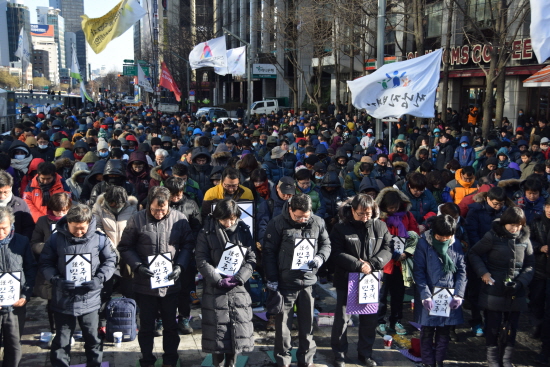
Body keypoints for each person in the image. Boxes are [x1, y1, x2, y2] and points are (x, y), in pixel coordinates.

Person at [118, 186, 195, 367]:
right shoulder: (137, 220)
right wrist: (138, 266)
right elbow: (125, 247)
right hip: (145, 284)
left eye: (163, 209)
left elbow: (188, 245)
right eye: (154, 210)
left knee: (170, 325)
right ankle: (147, 359)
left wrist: (180, 266)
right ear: (147, 206)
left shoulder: (180, 219)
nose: (159, 213)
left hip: (171, 283)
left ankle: (170, 359)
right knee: (146, 327)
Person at [39, 204, 117, 367]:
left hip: (90, 299)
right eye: (75, 228)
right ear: (67, 222)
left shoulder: (99, 238)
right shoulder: (55, 238)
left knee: (93, 339)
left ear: (89, 223)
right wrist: (55, 279)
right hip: (63, 300)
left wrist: (99, 279)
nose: (79, 232)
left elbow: (110, 260)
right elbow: (46, 263)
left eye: (82, 228)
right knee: (61, 340)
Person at [263, 194, 331, 367]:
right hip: (285, 283)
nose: (302, 220)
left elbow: (326, 244)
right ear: (290, 210)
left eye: (305, 216)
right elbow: (268, 253)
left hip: (308, 282)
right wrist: (272, 280)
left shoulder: (318, 222)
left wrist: (320, 258)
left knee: (307, 326)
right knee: (283, 328)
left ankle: (306, 360)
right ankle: (283, 361)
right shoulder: (277, 223)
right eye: (298, 216)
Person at [330, 195, 392, 367]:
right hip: (347, 278)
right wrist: (357, 265)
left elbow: (388, 248)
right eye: (360, 214)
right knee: (342, 318)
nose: (364, 217)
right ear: (352, 210)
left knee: (369, 319)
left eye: (368, 213)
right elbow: (335, 253)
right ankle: (339, 354)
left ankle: (365, 353)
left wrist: (373, 264)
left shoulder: (380, 226)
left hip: (371, 279)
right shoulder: (341, 228)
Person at [468, 207, 535, 367]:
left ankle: (506, 359)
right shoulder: (492, 236)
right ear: (505, 222)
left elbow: (530, 264)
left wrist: (520, 282)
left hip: (516, 289)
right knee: (492, 326)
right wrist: (483, 272)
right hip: (494, 288)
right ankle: (492, 359)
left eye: (519, 225)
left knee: (512, 325)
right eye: (512, 224)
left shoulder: (525, 238)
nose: (515, 228)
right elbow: (474, 253)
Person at [195, 199, 256, 367]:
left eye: (233, 218)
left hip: (238, 288)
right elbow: (201, 260)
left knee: (236, 331)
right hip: (215, 289)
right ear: (217, 217)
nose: (229, 223)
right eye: (225, 219)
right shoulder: (206, 232)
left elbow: (251, 258)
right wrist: (217, 279)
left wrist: (240, 277)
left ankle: (232, 364)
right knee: (218, 335)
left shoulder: (243, 230)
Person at [413, 215, 467, 367]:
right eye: (440, 236)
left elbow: (462, 270)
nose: (443, 239)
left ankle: (439, 361)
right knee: (427, 331)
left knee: (444, 332)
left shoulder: (455, 244)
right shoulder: (424, 243)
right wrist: (425, 295)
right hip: (430, 293)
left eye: (447, 236)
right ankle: (428, 363)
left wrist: (459, 294)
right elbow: (419, 271)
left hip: (448, 295)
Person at [0, 206, 37, 367]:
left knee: (14, 344)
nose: (0, 233)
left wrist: (25, 295)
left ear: (11, 225)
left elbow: (30, 268)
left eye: (4, 228)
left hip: (15, 305)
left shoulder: (21, 241)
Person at [31, 192, 72, 335]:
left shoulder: (72, 220)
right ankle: (54, 329)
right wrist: (48, 246)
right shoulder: (43, 221)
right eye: (57, 211)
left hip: (69, 264)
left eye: (64, 210)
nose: (61, 214)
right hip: (51, 265)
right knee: (51, 299)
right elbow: (34, 244)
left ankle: (68, 329)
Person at [528, 197, 550, 351]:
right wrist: (540, 248)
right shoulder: (536, 222)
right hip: (540, 267)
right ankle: (538, 324)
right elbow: (529, 241)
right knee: (537, 299)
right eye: (548, 207)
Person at [0, 170, 34, 239]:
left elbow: (28, 227)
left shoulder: (20, 204)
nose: (2, 196)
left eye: (5, 192)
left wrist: (21, 242)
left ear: (10, 188)